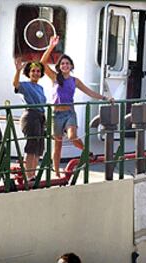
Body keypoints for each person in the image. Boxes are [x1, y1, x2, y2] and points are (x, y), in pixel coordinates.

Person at [41, 36, 114, 177]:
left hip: (69, 113)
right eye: (62, 64)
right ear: (59, 66)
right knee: (57, 146)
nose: (65, 65)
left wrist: (105, 98)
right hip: (56, 115)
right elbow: (43, 63)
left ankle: (87, 151)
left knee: (73, 136)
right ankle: (56, 173)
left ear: (71, 66)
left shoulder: (75, 81)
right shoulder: (55, 78)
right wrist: (51, 46)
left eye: (67, 63)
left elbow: (89, 91)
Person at [13, 58, 47, 180]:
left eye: (38, 71)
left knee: (39, 147)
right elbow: (16, 85)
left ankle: (33, 173)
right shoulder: (26, 85)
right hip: (31, 116)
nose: (36, 73)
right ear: (29, 72)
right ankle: (29, 175)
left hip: (40, 117)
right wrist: (17, 71)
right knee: (32, 145)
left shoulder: (41, 88)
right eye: (33, 71)